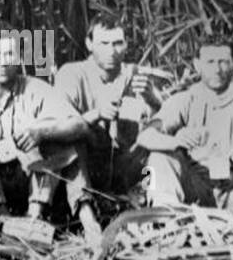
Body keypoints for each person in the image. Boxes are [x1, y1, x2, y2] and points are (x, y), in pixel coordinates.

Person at [0, 30, 87, 222]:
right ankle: (3, 217)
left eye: (9, 54)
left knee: (50, 131)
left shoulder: (36, 88)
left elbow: (80, 125)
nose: (3, 62)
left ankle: (34, 217)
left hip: (28, 180)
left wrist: (42, 132)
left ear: (19, 58)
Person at [136, 39, 233, 208]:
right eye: (210, 62)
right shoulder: (186, 100)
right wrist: (175, 142)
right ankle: (165, 213)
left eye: (223, 62)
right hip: (200, 190)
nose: (217, 69)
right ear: (197, 65)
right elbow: (145, 136)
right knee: (158, 157)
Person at [53, 15, 163, 238]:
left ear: (126, 44)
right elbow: (60, 126)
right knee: (73, 141)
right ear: (89, 44)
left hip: (125, 167)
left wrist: (152, 99)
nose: (112, 51)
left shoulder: (135, 74)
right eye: (104, 43)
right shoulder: (72, 74)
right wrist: (96, 114)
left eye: (117, 43)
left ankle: (152, 205)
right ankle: (87, 218)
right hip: (87, 165)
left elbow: (166, 118)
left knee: (158, 140)